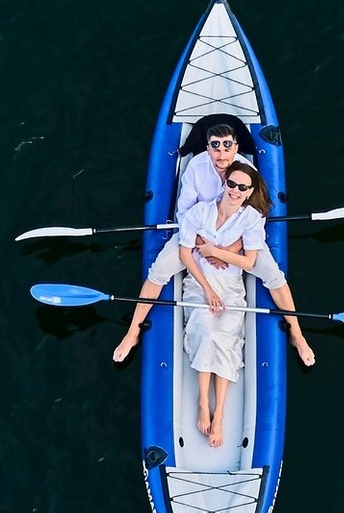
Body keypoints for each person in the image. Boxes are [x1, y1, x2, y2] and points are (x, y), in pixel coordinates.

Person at [109, 124, 317, 368]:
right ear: (208, 149)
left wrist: (226, 252)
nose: (221, 153)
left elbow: (257, 215)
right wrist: (202, 247)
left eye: (227, 146)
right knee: (159, 271)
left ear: (235, 148)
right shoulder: (196, 168)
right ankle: (132, 332)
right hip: (197, 234)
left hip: (237, 238)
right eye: (215, 147)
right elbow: (184, 215)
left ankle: (297, 334)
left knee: (274, 276)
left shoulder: (246, 173)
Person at [177, 161, 270, 446]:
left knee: (225, 336)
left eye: (243, 187)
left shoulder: (251, 218)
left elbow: (250, 262)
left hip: (230, 286)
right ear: (224, 184)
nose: (236, 190)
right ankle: (204, 401)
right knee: (207, 328)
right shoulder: (200, 212)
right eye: (232, 184)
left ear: (249, 191)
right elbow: (185, 254)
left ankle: (220, 416)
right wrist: (207, 290)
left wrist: (215, 251)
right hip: (200, 283)